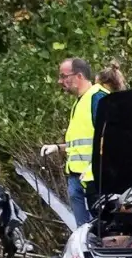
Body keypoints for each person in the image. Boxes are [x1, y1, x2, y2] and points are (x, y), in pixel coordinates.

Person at [42, 58, 107, 227]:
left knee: (100, 230)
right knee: (84, 233)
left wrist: (94, 168)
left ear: (79, 76)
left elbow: (110, 139)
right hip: (77, 179)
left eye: (64, 76)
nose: (60, 81)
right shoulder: (79, 102)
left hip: (94, 182)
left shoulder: (98, 99)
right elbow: (81, 144)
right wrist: (57, 148)